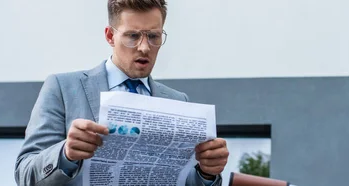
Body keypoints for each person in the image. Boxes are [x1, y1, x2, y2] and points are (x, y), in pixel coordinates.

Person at [14, 0, 229, 185]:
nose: (144, 47)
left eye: (153, 36)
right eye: (133, 36)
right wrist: (65, 154)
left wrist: (207, 173)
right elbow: (25, 175)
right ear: (110, 36)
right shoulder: (62, 87)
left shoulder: (178, 101)